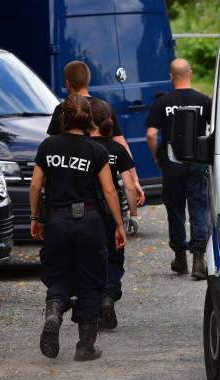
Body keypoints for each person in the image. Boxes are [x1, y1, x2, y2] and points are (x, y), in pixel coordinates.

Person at [30, 95, 126, 361]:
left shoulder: (47, 146)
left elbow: (36, 186)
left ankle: (54, 311)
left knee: (58, 273)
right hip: (90, 222)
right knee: (91, 279)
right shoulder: (97, 150)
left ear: (63, 117)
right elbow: (109, 190)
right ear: (89, 120)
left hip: (57, 221)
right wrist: (119, 224)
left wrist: (35, 218)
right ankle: (85, 345)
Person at [145, 58, 212, 281]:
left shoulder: (163, 102)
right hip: (197, 163)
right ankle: (199, 260)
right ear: (191, 73)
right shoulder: (205, 101)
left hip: (172, 164)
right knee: (198, 209)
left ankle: (180, 258)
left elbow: (151, 134)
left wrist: (157, 156)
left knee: (175, 211)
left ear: (171, 76)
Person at [47, 60, 145, 206]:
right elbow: (121, 143)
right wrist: (134, 180)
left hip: (71, 188)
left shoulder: (62, 109)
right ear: (88, 81)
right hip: (102, 189)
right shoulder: (104, 107)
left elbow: (52, 148)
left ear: (67, 83)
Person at [89, 98, 138, 330]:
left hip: (87, 213)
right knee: (114, 258)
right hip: (111, 213)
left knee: (91, 259)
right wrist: (133, 215)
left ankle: (93, 303)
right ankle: (109, 297)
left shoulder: (84, 147)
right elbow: (129, 185)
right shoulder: (117, 148)